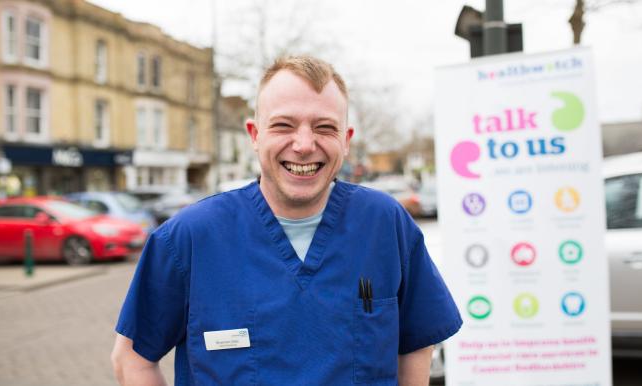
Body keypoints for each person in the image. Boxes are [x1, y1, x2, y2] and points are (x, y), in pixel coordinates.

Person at [111, 55, 462, 386]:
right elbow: (132, 359)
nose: (304, 144)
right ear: (254, 134)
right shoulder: (189, 237)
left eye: (324, 127)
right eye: (283, 125)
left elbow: (416, 341)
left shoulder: (385, 225)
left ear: (346, 140)